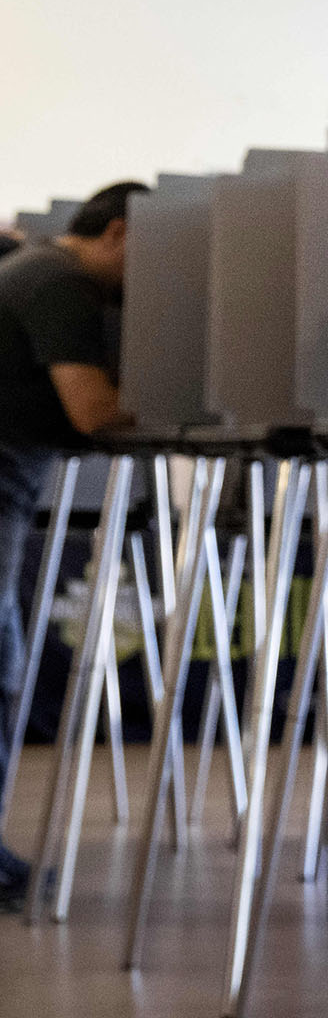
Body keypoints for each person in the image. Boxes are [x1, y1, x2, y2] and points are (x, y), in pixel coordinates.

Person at [0, 180, 140, 909]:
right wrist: (192, 400)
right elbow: (92, 410)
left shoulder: (27, 269)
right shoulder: (59, 286)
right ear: (117, 232)